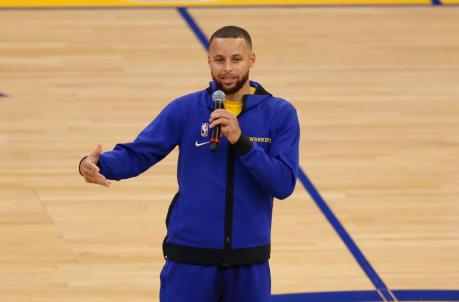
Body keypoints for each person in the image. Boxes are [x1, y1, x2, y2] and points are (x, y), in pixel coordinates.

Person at [79, 25, 300, 302]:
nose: (227, 68)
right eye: (219, 60)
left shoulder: (280, 114)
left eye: (236, 59)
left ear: (252, 60)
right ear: (208, 60)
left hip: (249, 263)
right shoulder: (185, 109)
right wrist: (97, 164)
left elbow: (283, 183)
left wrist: (242, 142)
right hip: (189, 260)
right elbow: (139, 154)